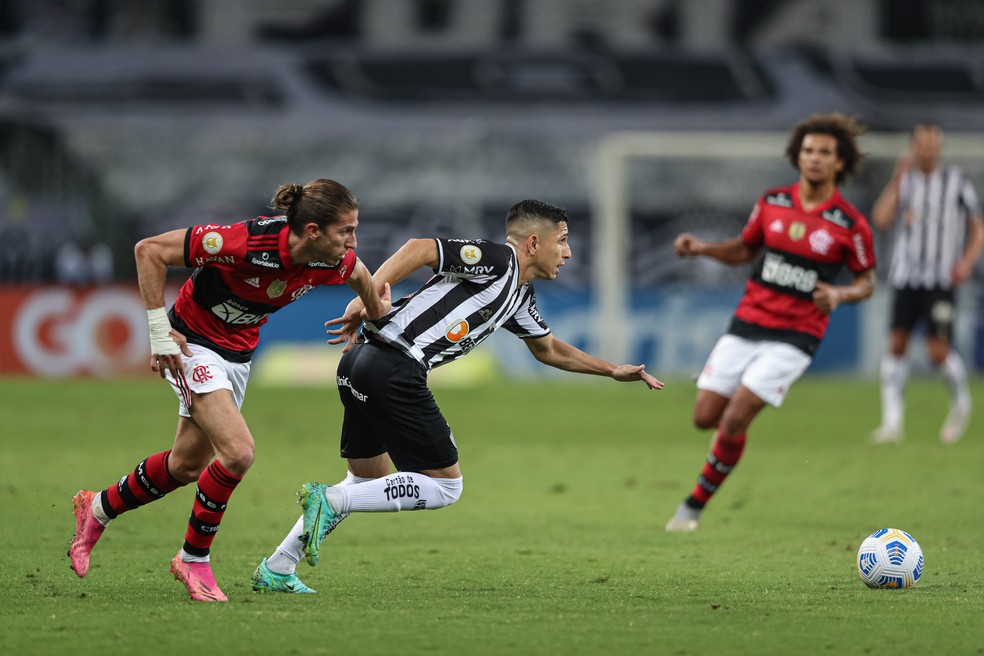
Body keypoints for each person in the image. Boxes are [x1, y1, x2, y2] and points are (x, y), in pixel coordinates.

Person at [249, 199, 663, 594]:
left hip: (360, 363)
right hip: (394, 368)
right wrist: (368, 293)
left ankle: (279, 566)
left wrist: (612, 370)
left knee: (366, 481)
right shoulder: (498, 260)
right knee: (445, 487)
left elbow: (549, 349)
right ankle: (330, 499)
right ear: (534, 243)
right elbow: (421, 248)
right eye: (563, 241)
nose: (569, 253)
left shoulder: (519, 295)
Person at [68, 178, 390, 602]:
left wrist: (371, 312)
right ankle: (193, 558)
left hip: (237, 356)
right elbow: (149, 251)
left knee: (186, 465)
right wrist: (159, 332)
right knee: (238, 452)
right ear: (313, 231)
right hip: (191, 345)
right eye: (346, 231)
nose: (353, 241)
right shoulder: (244, 242)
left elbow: (362, 275)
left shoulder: (334, 260)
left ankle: (96, 508)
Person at [664, 113, 877, 532]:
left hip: (796, 336)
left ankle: (692, 507)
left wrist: (839, 294)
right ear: (797, 155)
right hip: (748, 322)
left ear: (839, 162)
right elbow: (745, 250)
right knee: (704, 417)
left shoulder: (850, 225)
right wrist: (703, 248)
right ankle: (724, 409)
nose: (814, 158)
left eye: (825, 152)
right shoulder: (772, 202)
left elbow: (866, 282)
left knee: (735, 418)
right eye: (808, 150)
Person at [869, 123, 984, 445]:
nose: (929, 149)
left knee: (937, 350)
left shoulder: (957, 182)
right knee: (897, 344)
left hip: (941, 279)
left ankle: (961, 403)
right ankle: (892, 423)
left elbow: (978, 229)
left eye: (934, 143)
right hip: (907, 276)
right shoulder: (905, 182)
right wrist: (895, 180)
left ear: (940, 148)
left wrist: (966, 262)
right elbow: (881, 219)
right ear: (913, 147)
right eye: (923, 143)